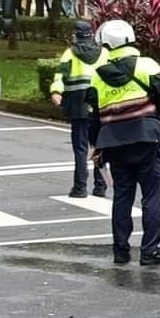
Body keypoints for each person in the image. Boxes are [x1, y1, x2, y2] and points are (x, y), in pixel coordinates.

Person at [88, 20, 160, 266]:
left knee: (122, 197)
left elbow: (94, 117)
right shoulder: (146, 65)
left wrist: (95, 146)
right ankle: (150, 251)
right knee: (152, 196)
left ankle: (120, 251)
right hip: (147, 139)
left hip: (114, 144)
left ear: (106, 44)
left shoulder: (97, 76)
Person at [50, 21, 108, 199]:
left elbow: (60, 75)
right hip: (100, 105)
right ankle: (100, 186)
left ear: (76, 35)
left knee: (80, 148)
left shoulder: (70, 53)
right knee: (99, 146)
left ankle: (80, 187)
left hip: (78, 106)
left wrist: (56, 91)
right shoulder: (104, 53)